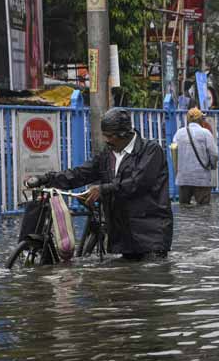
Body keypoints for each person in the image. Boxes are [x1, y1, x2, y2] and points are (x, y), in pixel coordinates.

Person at [25, 108, 173, 259]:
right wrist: (47, 179)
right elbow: (80, 173)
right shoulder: (107, 154)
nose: (106, 140)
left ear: (124, 134)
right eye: (105, 135)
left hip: (150, 235)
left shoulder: (151, 151)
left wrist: (102, 189)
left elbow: (136, 183)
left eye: (110, 136)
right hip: (123, 236)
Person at [172, 107, 219, 205]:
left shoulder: (178, 133)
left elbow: (173, 152)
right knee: (204, 210)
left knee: (184, 210)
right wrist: (212, 166)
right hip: (201, 178)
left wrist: (178, 171)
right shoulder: (205, 133)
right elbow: (214, 154)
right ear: (200, 120)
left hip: (183, 178)